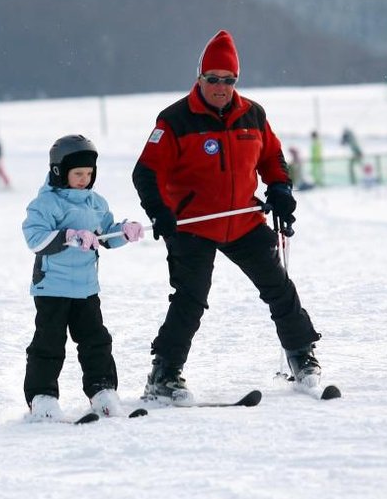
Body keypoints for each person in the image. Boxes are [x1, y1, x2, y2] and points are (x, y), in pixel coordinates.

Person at [131, 29, 323, 405]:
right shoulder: (175, 120)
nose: (221, 87)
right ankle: (163, 374)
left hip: (243, 219)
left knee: (278, 287)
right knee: (191, 298)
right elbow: (145, 173)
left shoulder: (252, 114)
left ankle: (301, 355)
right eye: (213, 79)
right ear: (199, 77)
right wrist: (160, 212)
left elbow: (271, 156)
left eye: (229, 80)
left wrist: (281, 189)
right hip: (192, 226)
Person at [22, 134, 145, 420]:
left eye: (89, 174)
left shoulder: (95, 203)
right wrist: (70, 237)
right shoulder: (46, 204)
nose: (84, 179)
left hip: (86, 287)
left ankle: (102, 391)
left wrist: (125, 231)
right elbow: (35, 239)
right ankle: (43, 399)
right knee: (49, 343)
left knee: (96, 340)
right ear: (59, 172)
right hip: (52, 287)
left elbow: (106, 235)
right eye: (78, 173)